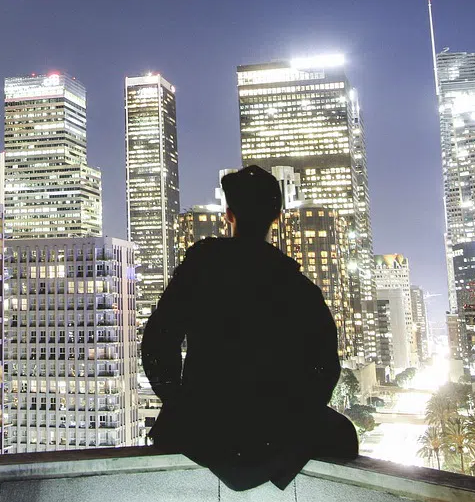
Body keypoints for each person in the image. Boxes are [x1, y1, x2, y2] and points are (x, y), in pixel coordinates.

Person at [141, 165, 358, 491]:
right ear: (277, 216)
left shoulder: (201, 269)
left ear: (229, 215)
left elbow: (159, 338)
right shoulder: (296, 286)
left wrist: (179, 402)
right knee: (344, 436)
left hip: (204, 429)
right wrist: (292, 417)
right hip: (273, 435)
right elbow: (325, 365)